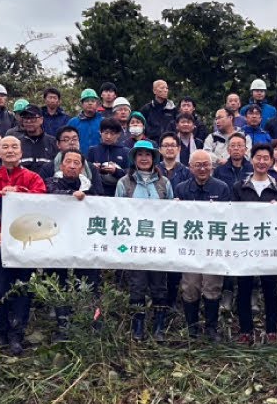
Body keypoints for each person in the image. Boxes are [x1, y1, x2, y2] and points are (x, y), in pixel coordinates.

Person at [0, 136, 47, 355]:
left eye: (14, 146)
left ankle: (17, 333)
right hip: (0, 242)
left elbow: (42, 201)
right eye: (5, 147)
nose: (10, 151)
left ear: (21, 151)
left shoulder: (33, 177)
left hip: (26, 242)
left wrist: (19, 191)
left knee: (23, 287)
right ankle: (1, 331)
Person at [115, 140, 175, 340]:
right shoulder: (124, 183)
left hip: (158, 243)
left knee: (159, 285)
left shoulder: (164, 183)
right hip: (134, 243)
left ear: (154, 158)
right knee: (137, 284)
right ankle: (137, 327)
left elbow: (172, 214)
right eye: (139, 154)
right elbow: (116, 213)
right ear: (134, 158)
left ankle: (159, 327)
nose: (143, 158)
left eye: (147, 155)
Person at [173, 150, 231, 340]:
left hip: (213, 247)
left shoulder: (222, 188)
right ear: (190, 167)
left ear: (212, 166)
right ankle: (192, 328)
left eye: (206, 164)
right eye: (198, 165)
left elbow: (228, 217)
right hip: (189, 247)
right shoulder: (181, 188)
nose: (202, 168)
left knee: (212, 286)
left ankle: (211, 328)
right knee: (190, 287)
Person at [234, 144, 277, 343]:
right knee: (244, 288)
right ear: (251, 159)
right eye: (258, 157)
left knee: (270, 289)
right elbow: (232, 214)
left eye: (266, 158)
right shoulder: (240, 186)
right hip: (245, 245)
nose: (262, 161)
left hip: (270, 246)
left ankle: (271, 330)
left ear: (272, 161)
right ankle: (245, 331)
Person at [42, 148, 96, 340]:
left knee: (87, 281)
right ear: (61, 164)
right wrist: (71, 194)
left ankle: (84, 323)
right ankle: (62, 324)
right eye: (69, 162)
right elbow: (49, 194)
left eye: (76, 163)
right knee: (59, 281)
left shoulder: (91, 185)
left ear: (82, 167)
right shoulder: (51, 182)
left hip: (84, 242)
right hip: (58, 241)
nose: (72, 166)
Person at [87, 118, 130, 196]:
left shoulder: (125, 151)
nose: (108, 136)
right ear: (100, 132)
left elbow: (130, 173)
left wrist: (116, 171)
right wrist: (94, 169)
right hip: (97, 192)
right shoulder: (93, 150)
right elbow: (86, 172)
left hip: (118, 192)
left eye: (112, 133)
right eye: (106, 133)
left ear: (118, 134)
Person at [10, 105, 58, 173]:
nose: (29, 121)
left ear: (41, 119)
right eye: (25, 118)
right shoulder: (17, 144)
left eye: (32, 118)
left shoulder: (53, 143)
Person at [70, 89, 104, 155]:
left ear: (97, 104)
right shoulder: (73, 122)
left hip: (99, 159)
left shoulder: (103, 122)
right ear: (82, 104)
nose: (90, 103)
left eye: (93, 101)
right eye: (86, 101)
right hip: (78, 159)